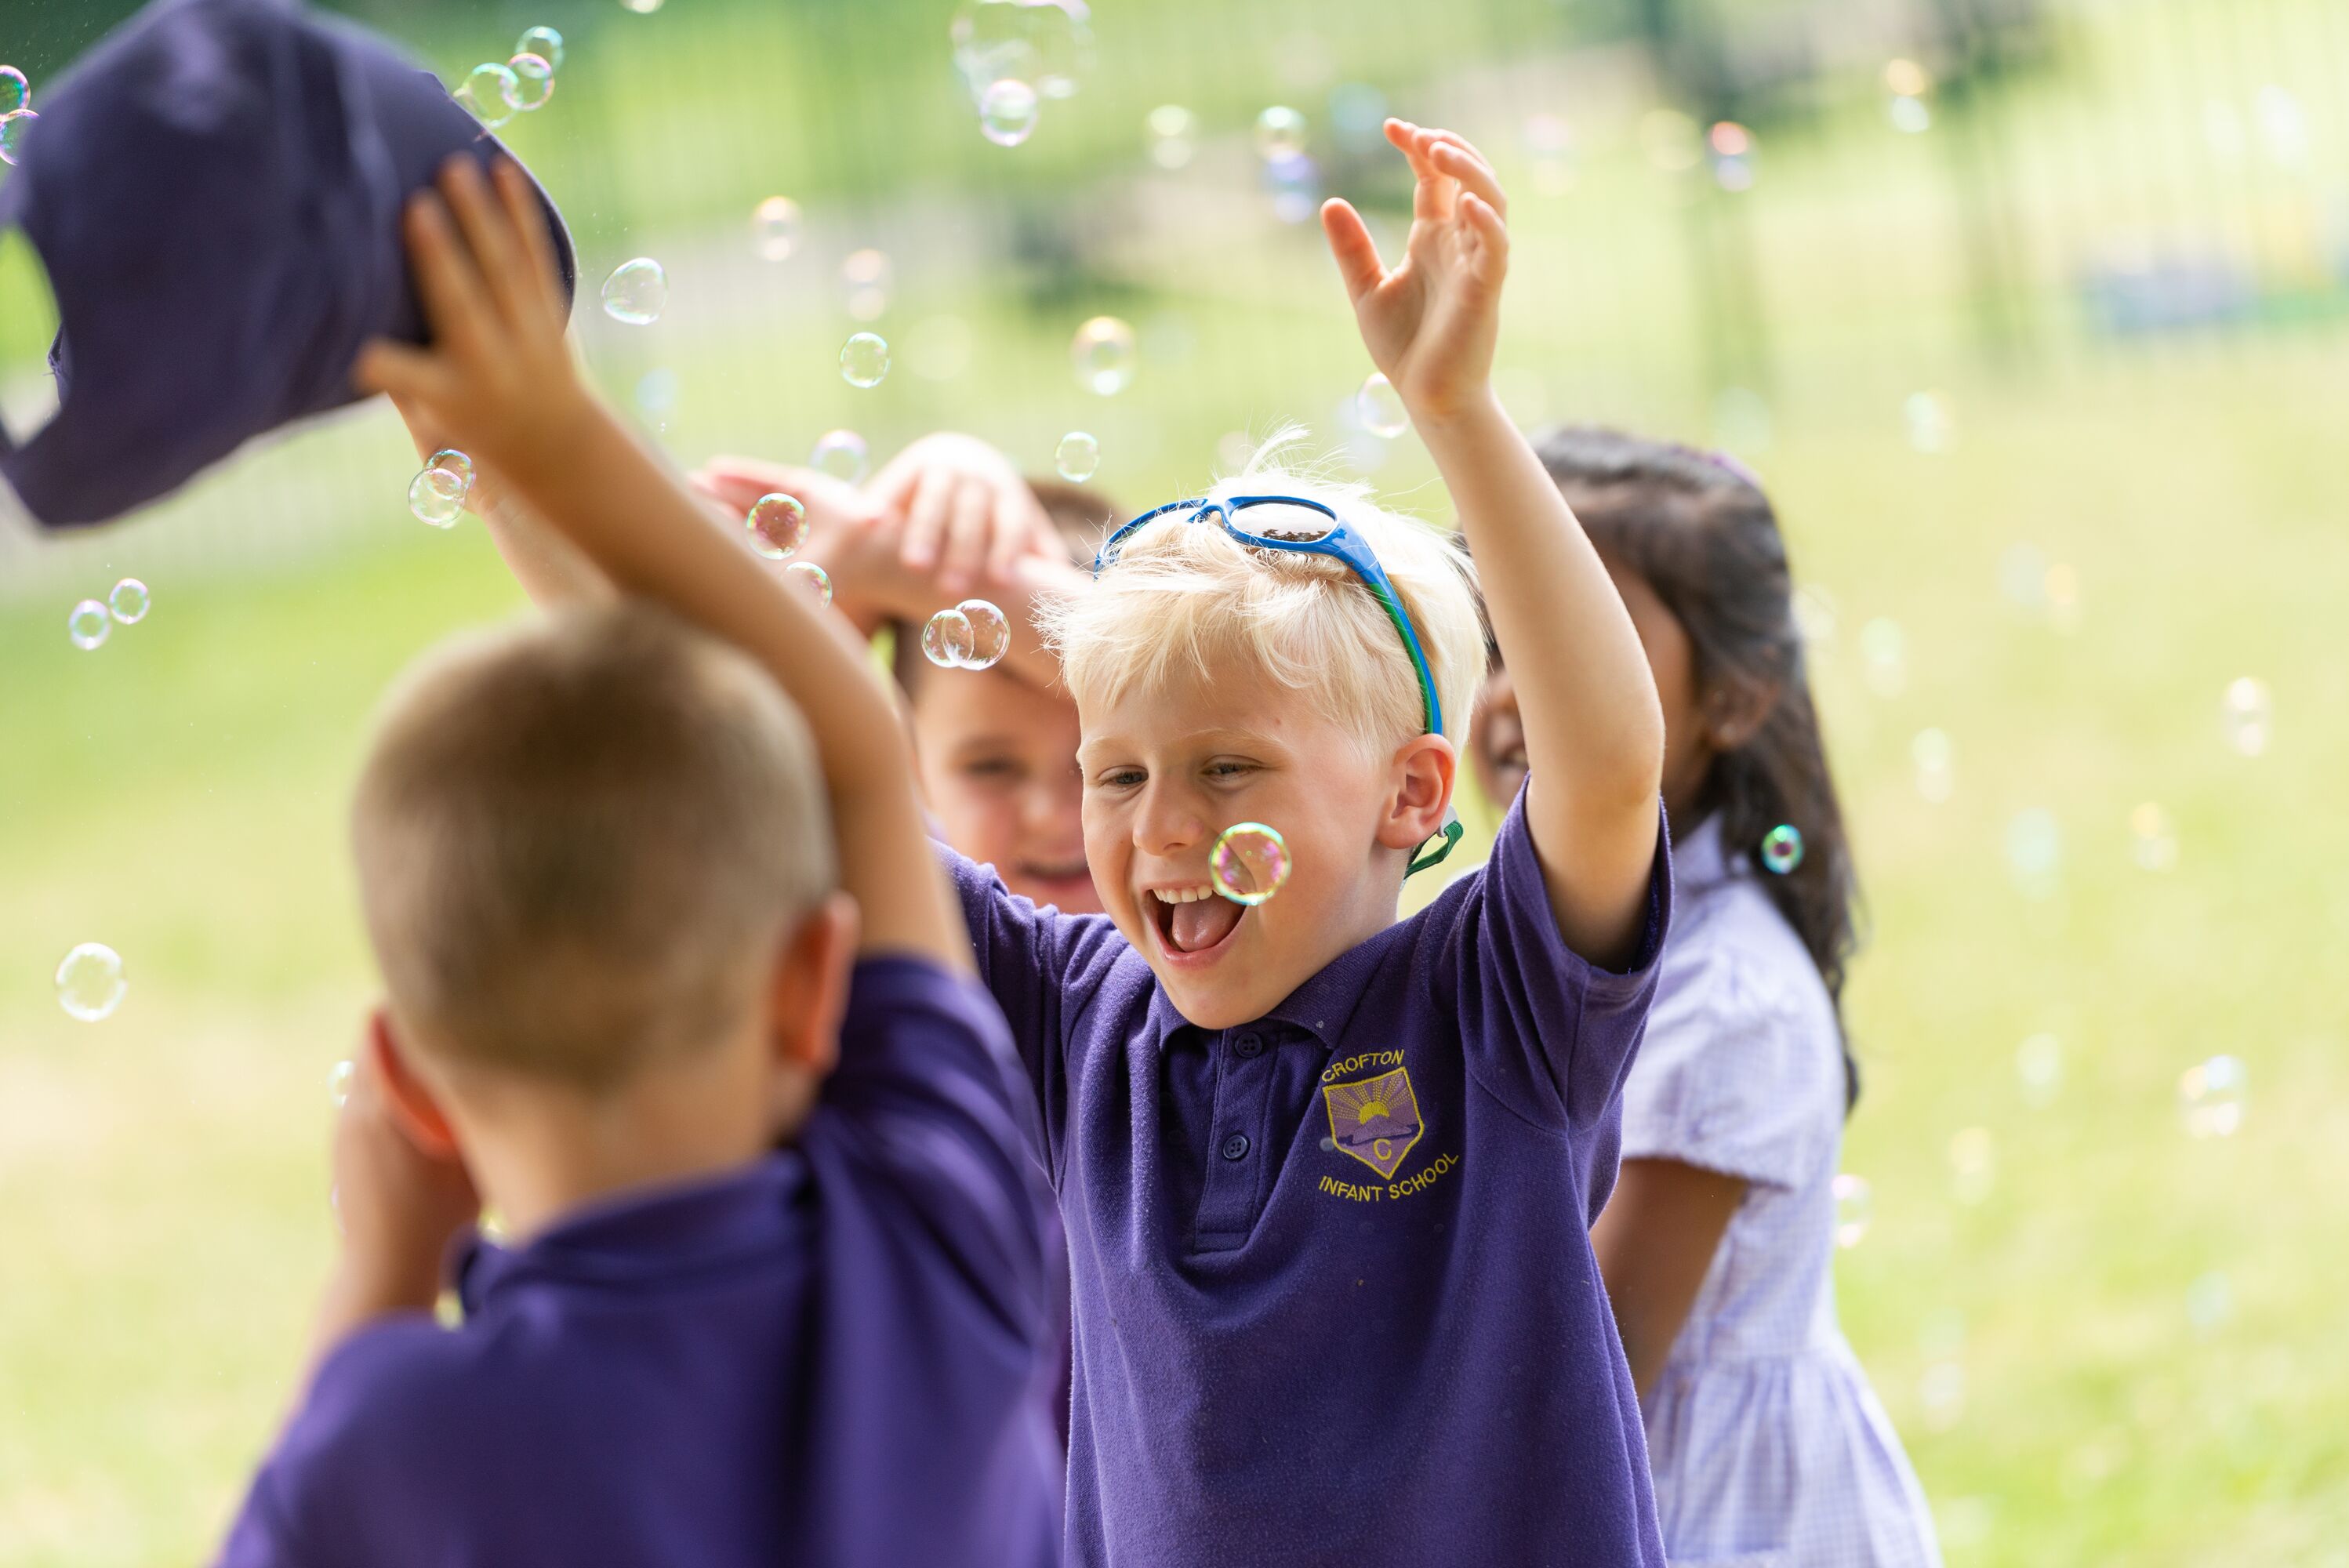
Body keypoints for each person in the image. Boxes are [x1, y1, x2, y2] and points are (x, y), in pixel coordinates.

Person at [216, 157, 1061, 1567]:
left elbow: (312, 1497)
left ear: (411, 1080)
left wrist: (380, 1277)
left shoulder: (395, 1440)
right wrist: (548, 430)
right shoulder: (940, 1236)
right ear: (815, 982)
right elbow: (852, 747)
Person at [960, 121, 1672, 1563]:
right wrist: (529, 445)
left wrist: (1456, 411)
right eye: (1118, 775)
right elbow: (777, 770)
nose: (1160, 829)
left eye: (1228, 769)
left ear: (1414, 797)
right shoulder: (1074, 1023)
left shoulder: (1492, 1014)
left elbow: (1604, 771)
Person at [1469, 426, 1942, 1567]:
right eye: (1496, 637)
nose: (1521, 687)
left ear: (1734, 697)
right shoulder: (1528, 935)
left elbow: (1595, 1374)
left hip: (1718, 1522)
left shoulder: (1728, 1005)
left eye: (1578, 639)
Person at [694, 443, 1116, 913]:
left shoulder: (1194, 900)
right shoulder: (897, 890)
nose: (1054, 817)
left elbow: (1187, 683)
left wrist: (884, 558)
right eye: (992, 767)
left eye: (1107, 764)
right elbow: (734, 749)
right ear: (910, 762)